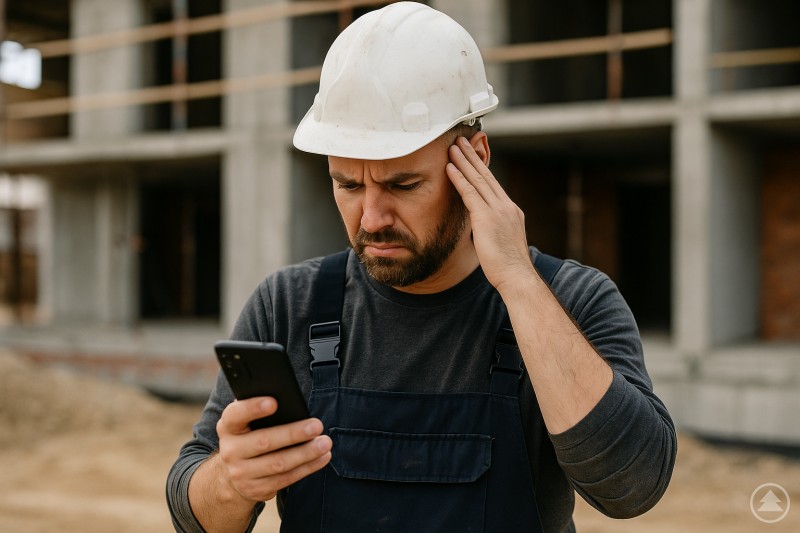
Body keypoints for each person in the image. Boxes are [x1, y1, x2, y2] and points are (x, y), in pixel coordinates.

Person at [167, 3, 676, 531]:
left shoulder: (572, 300)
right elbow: (192, 510)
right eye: (348, 184)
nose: (372, 217)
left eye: (403, 185)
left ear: (475, 158)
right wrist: (231, 480)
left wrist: (518, 282)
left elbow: (632, 487)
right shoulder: (288, 306)